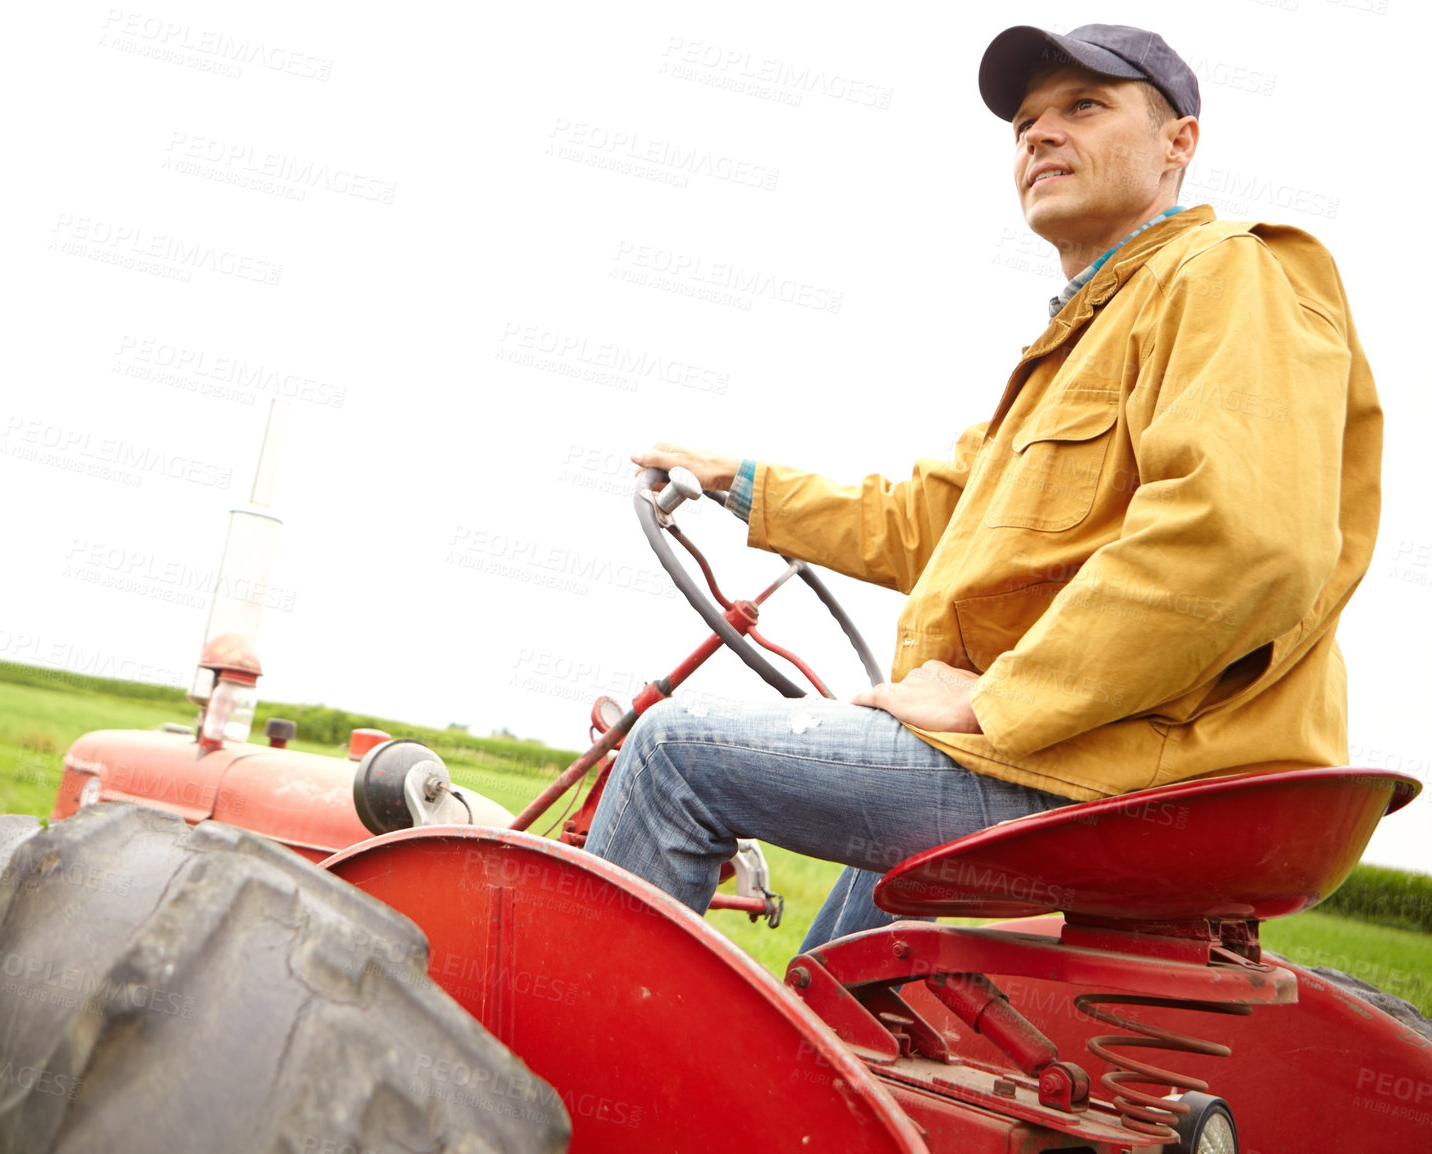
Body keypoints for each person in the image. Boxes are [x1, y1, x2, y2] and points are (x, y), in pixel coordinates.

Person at [583, 23, 1382, 951]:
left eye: (1084, 106)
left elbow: (1242, 540)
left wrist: (994, 702)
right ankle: (821, 1072)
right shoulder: (1084, 336)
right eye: (1026, 123)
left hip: (1122, 769)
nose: (1040, 134)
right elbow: (934, 520)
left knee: (672, 752)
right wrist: (747, 488)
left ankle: (592, 1083)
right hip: (1080, 759)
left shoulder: (1228, 274)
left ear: (1180, 144)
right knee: (844, 932)